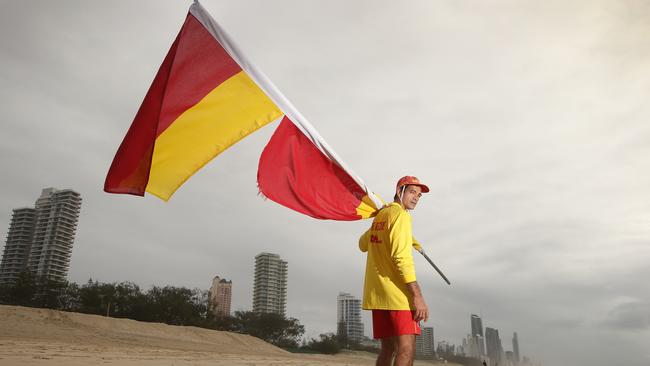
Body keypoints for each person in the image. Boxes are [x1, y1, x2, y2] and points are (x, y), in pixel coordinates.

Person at [359, 176, 430, 366]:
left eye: (419, 195)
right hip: (397, 295)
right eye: (412, 192)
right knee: (406, 349)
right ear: (400, 191)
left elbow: (363, 244)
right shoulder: (402, 216)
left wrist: (408, 237)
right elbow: (401, 258)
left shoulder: (382, 216)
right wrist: (417, 295)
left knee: (388, 349)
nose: (416, 198)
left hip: (378, 295)